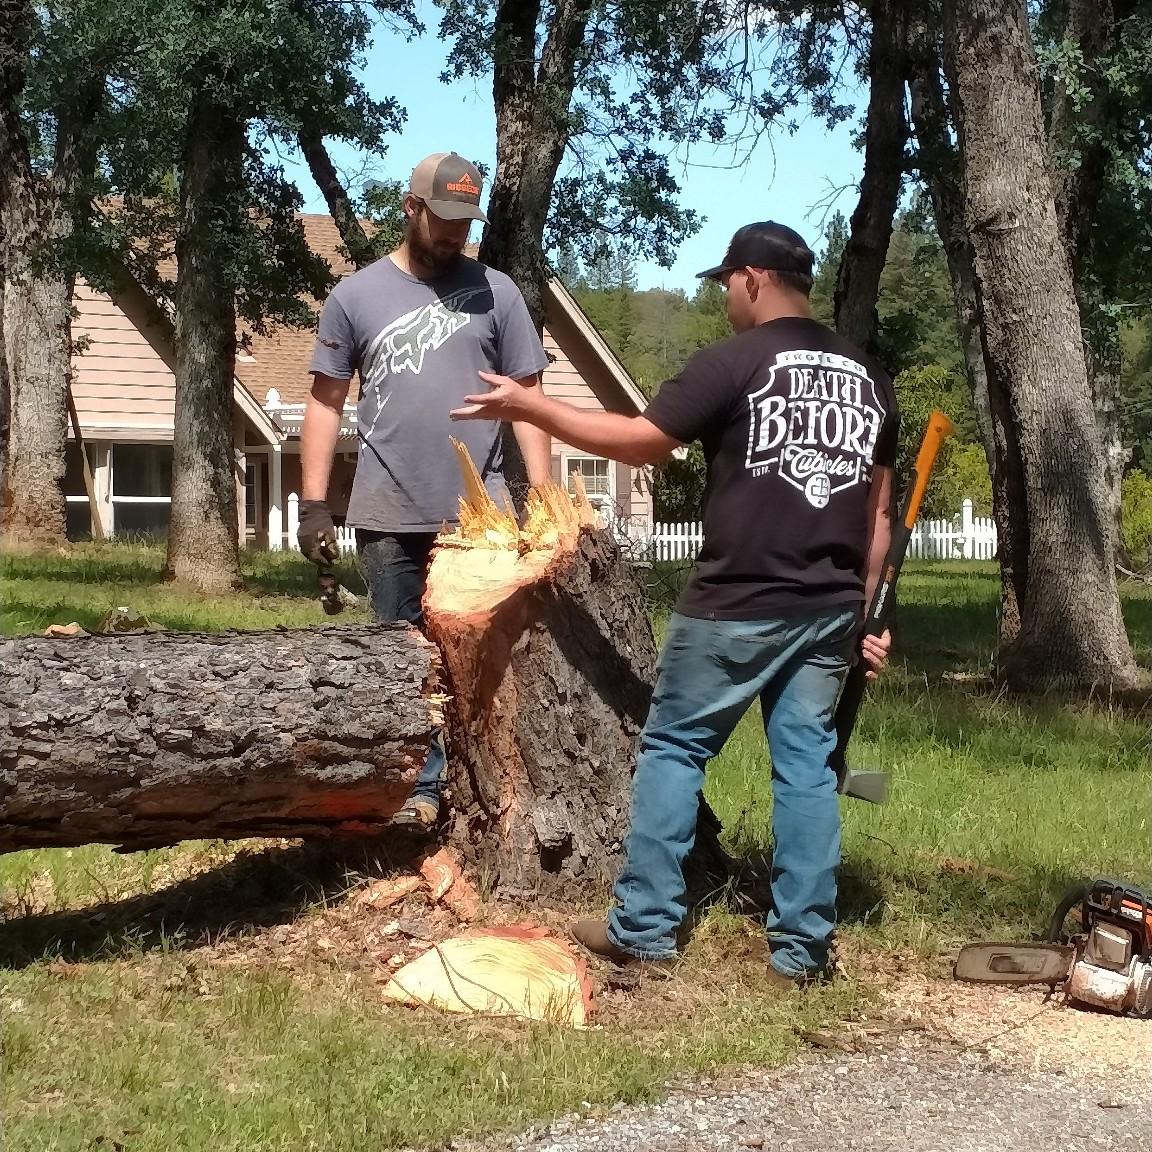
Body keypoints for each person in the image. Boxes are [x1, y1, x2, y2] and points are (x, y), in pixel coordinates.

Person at [451, 221, 898, 987]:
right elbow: (879, 518)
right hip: (827, 608)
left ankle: (644, 928)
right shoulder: (868, 375)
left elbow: (639, 441)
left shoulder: (734, 363)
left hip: (736, 603)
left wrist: (532, 408)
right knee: (807, 772)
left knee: (674, 749)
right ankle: (801, 953)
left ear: (753, 278)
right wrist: (862, 612)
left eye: (726, 281)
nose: (725, 295)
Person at [297, 151, 552, 830]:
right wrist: (314, 503)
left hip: (482, 518)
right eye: (442, 220)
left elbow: (529, 398)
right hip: (387, 511)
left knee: (489, 663)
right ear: (411, 208)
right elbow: (324, 402)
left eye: (464, 223)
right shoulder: (356, 297)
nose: (453, 235)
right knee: (404, 661)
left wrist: (547, 504)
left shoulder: (499, 292)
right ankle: (423, 789)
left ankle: (497, 793)